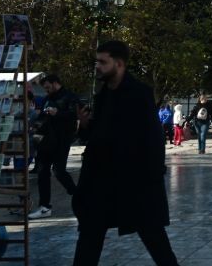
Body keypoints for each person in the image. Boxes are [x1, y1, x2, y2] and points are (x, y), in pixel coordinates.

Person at [72, 40, 178, 265]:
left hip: (134, 181)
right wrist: (85, 125)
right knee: (89, 237)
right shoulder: (103, 95)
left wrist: (151, 176)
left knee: (154, 239)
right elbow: (99, 134)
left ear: (119, 64)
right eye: (97, 61)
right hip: (101, 182)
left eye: (103, 61)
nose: (97, 66)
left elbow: (153, 137)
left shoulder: (139, 93)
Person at [29, 74, 81, 219]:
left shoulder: (70, 97)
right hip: (46, 141)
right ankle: (44, 206)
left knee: (59, 171)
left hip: (62, 140)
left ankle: (79, 196)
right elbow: (43, 118)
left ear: (55, 83)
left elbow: (74, 116)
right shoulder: (48, 98)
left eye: (47, 87)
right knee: (42, 172)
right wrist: (35, 126)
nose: (46, 90)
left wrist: (57, 113)